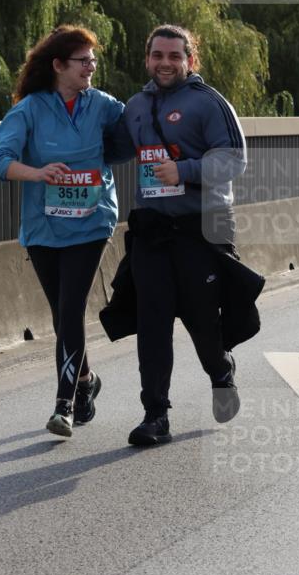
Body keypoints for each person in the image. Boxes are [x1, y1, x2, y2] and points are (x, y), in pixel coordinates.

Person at [103, 24, 264, 446]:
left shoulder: (209, 103)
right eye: (158, 55)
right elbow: (111, 149)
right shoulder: (135, 106)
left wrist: (185, 171)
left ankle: (221, 371)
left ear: (190, 60)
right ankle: (155, 415)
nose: (165, 63)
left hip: (202, 228)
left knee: (202, 323)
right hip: (152, 230)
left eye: (175, 56)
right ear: (147, 59)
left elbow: (234, 160)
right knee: (151, 322)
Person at [0, 26, 125, 438]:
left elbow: (137, 132)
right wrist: (38, 172)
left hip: (92, 221)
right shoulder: (29, 109)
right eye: (83, 61)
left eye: (92, 61)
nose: (91, 67)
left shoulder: (102, 105)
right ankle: (85, 380)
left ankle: (63, 404)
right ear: (59, 66)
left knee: (70, 310)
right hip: (44, 227)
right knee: (62, 314)